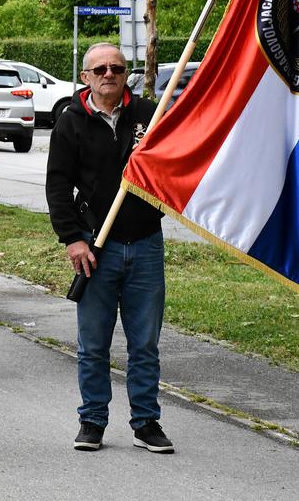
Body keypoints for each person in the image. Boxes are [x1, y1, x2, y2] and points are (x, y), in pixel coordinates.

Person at [46, 42, 171, 454]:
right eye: (99, 69)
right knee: (94, 344)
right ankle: (93, 420)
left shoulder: (149, 115)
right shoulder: (71, 121)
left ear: (125, 74)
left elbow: (174, 167)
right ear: (86, 77)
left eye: (116, 67)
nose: (108, 74)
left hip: (146, 244)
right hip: (96, 247)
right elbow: (58, 186)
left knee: (144, 343)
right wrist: (73, 239)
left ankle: (146, 422)